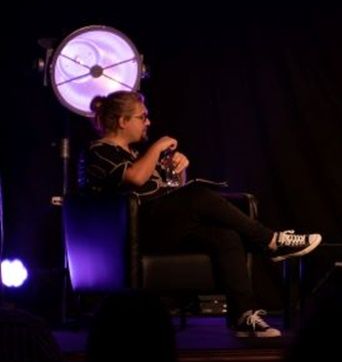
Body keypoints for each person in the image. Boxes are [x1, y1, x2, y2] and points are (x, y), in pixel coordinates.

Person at [80, 91, 321, 338]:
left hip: (163, 226)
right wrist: (158, 147)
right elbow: (136, 178)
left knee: (224, 235)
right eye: (143, 117)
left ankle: (243, 316)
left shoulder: (136, 155)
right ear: (122, 121)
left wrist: (178, 169)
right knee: (198, 195)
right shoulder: (99, 152)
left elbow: (169, 191)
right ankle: (270, 240)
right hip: (129, 234)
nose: (148, 122)